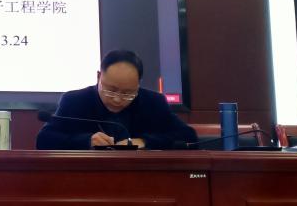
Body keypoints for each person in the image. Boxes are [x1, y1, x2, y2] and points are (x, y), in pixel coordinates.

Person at [36, 49, 195, 150]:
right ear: (99, 77)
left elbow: (188, 136)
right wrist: (87, 141)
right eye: (111, 90)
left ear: (138, 84)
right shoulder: (74, 101)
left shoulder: (153, 102)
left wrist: (145, 142)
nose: (118, 99)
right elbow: (44, 140)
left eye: (128, 93)